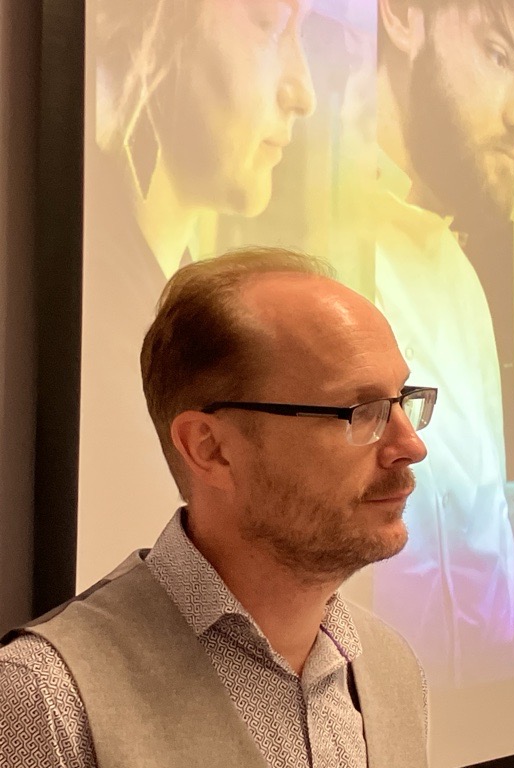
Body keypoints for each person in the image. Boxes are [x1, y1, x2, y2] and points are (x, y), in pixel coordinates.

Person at [0, 248, 433, 767]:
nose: (411, 445)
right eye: (361, 411)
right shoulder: (45, 700)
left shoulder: (391, 668)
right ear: (211, 448)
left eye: (401, 400)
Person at [81, 0, 318, 581]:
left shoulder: (177, 298)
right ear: (155, 29)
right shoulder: (94, 323)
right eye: (266, 26)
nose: (303, 90)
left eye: (301, 34)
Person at [373, 0, 514, 685]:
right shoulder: (320, 258)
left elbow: (483, 538)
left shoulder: (462, 282)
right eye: (497, 55)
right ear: (403, 16)